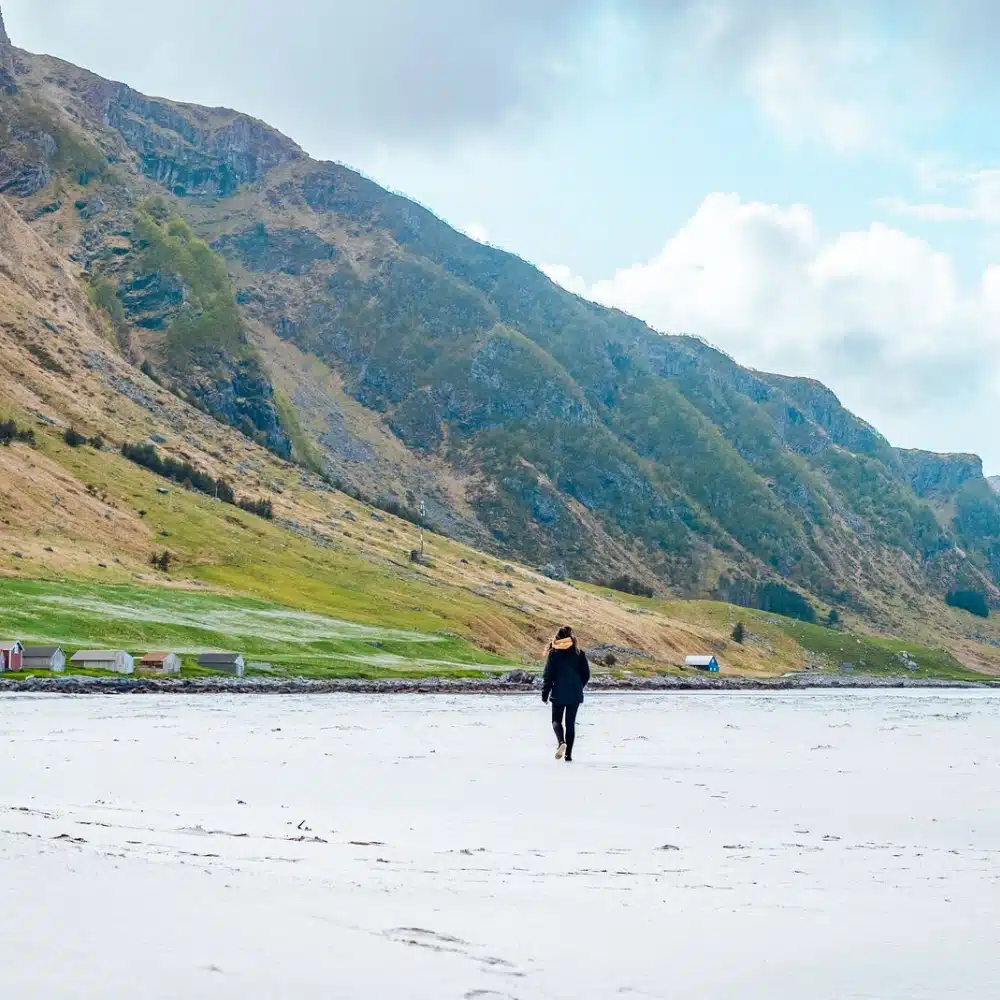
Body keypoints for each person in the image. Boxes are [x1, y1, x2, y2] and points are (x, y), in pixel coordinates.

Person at [541, 625, 590, 762]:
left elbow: (548, 676)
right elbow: (586, 674)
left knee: (556, 720)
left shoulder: (554, 654)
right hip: (575, 692)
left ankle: (561, 742)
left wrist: (545, 694)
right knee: (570, 724)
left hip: (558, 692)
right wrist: (579, 686)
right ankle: (568, 754)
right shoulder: (579, 653)